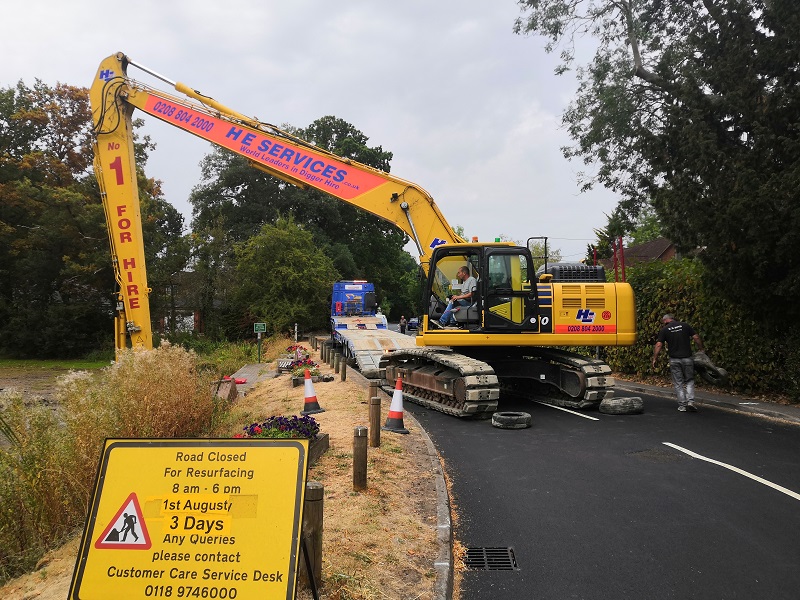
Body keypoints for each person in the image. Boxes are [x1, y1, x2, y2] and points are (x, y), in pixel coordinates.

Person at [652, 314, 705, 412]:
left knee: (678, 383)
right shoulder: (685, 325)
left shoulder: (665, 330)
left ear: (665, 321)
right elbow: (696, 337)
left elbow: (659, 345)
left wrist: (655, 358)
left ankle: (682, 405)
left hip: (674, 360)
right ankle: (691, 402)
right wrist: (701, 350)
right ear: (673, 318)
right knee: (689, 380)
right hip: (687, 358)